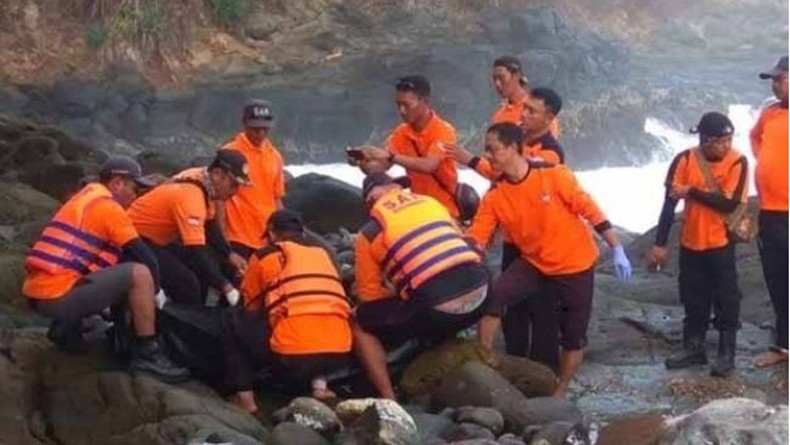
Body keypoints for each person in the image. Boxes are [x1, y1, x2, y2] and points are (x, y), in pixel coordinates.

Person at [467, 122, 632, 398]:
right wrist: (465, 256)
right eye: (486, 150)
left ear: (512, 148)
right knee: (492, 297)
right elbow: (478, 234)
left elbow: (589, 208)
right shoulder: (495, 195)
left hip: (575, 263)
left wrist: (616, 246)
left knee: (573, 335)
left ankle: (560, 390)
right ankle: (484, 362)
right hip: (534, 262)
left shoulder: (553, 175)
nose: (488, 156)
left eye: (492, 149)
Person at [22, 156, 189, 382]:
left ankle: (66, 330)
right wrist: (156, 293)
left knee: (115, 269)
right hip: (57, 297)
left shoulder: (83, 198)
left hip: (39, 292)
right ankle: (148, 355)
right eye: (134, 187)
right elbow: (146, 258)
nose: (135, 195)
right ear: (117, 183)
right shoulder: (109, 208)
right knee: (138, 274)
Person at [353, 173, 490, 399]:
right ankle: (480, 353)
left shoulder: (369, 232)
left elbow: (369, 296)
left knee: (359, 320)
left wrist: (395, 288)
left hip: (437, 307)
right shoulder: (432, 203)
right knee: (432, 288)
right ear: (398, 188)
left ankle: (388, 396)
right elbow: (457, 247)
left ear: (371, 201)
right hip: (482, 293)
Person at [648, 112, 749, 377]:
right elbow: (669, 204)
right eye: (719, 141)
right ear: (704, 140)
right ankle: (694, 348)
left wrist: (691, 191)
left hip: (721, 242)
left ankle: (727, 353)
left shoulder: (738, 160)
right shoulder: (684, 160)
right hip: (691, 241)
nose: (725, 146)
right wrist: (660, 244)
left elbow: (729, 203)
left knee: (727, 298)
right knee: (693, 297)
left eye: (729, 139)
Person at [223, 209, 352, 413]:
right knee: (316, 317)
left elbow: (250, 307)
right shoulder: (322, 255)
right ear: (302, 234)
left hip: (293, 357)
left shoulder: (265, 255)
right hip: (339, 355)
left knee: (234, 318)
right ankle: (320, 387)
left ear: (272, 234)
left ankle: (245, 400)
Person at [128, 150, 250, 306]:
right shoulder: (191, 197)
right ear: (217, 174)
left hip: (157, 239)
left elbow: (209, 223)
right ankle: (176, 325)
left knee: (204, 268)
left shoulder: (202, 179)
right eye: (233, 185)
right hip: (135, 241)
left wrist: (229, 253)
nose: (235, 192)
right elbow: (195, 249)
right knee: (187, 284)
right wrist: (227, 288)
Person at [351, 75, 462, 219]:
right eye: (398, 105)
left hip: (445, 211)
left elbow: (429, 165)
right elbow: (382, 166)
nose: (402, 111)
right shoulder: (401, 133)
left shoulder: (444, 130)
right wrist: (362, 161)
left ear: (424, 101)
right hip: (419, 208)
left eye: (406, 105)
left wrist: (390, 156)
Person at [750, 56, 789, 367]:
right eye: (773, 80)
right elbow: (754, 137)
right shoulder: (769, 114)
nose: (774, 85)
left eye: (780, 79)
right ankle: (783, 346)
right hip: (770, 212)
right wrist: (766, 164)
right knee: (777, 279)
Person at [222, 99, 286, 259]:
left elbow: (276, 198)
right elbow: (217, 199)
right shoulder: (229, 153)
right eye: (255, 128)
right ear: (244, 124)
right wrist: (223, 242)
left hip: (267, 237)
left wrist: (285, 232)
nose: (261, 133)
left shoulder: (275, 155)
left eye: (265, 128)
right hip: (237, 237)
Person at [489, 56, 560, 138]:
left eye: (501, 77)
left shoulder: (540, 109)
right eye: (495, 79)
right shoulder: (499, 117)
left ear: (516, 76)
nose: (497, 84)